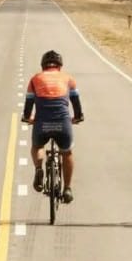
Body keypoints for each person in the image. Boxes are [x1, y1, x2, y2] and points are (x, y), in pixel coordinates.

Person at [22, 50, 84, 204]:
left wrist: (27, 117)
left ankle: (39, 169)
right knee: (67, 152)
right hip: (63, 123)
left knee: (37, 146)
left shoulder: (35, 79)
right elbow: (76, 102)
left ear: (43, 66)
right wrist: (78, 117)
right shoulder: (68, 78)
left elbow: (29, 103)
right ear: (60, 66)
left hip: (41, 122)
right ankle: (67, 189)